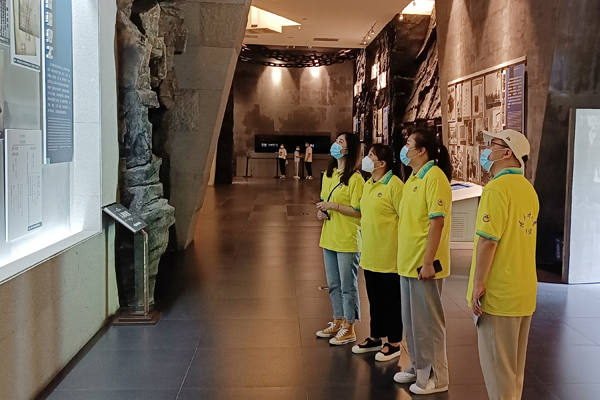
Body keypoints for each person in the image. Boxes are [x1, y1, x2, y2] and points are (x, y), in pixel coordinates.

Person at [467, 129, 539, 400]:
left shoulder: (497, 188)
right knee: (514, 372)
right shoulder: (528, 188)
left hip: (499, 293)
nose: (487, 150)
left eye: (492, 145)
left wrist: (478, 284)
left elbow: (488, 240)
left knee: (499, 372)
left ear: (507, 152)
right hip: (523, 292)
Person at [393, 128, 452, 395]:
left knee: (428, 323)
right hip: (407, 263)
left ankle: (437, 377)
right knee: (412, 322)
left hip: (423, 264)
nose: (405, 149)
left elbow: (436, 222)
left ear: (422, 150)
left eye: (409, 144)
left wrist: (428, 262)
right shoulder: (414, 177)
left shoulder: (434, 177)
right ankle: (419, 366)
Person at [352, 144, 404, 361]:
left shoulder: (395, 185)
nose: (367, 158)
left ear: (382, 163)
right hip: (370, 253)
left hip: (389, 255)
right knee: (375, 299)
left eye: (371, 155)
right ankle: (376, 336)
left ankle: (394, 342)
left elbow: (405, 219)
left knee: (391, 300)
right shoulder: (368, 184)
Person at [315, 133, 364, 345]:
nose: (336, 144)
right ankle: (337, 320)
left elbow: (359, 211)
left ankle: (349, 325)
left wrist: (334, 206)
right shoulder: (328, 175)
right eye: (336, 141)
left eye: (341, 142)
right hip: (329, 237)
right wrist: (322, 212)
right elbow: (323, 201)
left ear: (348, 149)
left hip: (347, 239)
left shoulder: (355, 179)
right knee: (333, 284)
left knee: (347, 285)